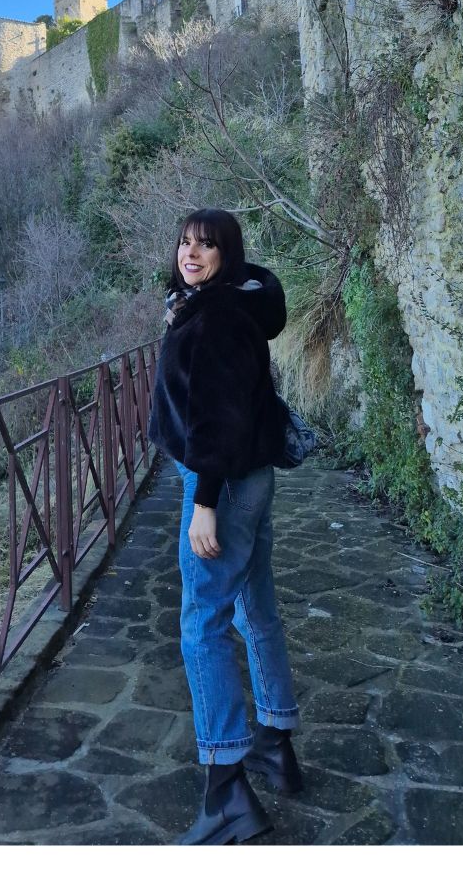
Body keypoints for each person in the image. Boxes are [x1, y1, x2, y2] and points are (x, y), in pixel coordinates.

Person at [146, 207, 301, 845]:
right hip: (251, 476)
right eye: (185, 242)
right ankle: (275, 742)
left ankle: (226, 787)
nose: (191, 254)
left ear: (227, 257)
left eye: (207, 247)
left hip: (224, 480)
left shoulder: (213, 316)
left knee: (201, 625)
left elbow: (218, 412)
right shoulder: (227, 305)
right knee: (254, 606)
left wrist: (204, 498)